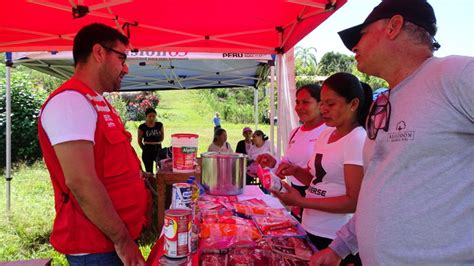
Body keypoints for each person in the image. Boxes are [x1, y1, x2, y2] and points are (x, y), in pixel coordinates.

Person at [311, 0, 474, 265]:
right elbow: (379, 186)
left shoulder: (454, 75)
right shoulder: (381, 104)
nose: (354, 47)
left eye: (360, 36)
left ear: (393, 27)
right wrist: (339, 248)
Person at [37, 23, 148, 266]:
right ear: (99, 53)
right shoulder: (70, 102)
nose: (126, 68)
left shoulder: (95, 100)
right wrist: (122, 241)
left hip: (113, 241)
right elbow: (81, 182)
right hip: (97, 247)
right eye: (121, 58)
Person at [274, 73, 372, 266]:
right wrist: (295, 170)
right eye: (322, 103)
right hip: (309, 226)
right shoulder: (326, 133)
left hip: (334, 236)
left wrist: (302, 201)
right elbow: (317, 180)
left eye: (331, 104)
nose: (324, 109)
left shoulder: (356, 138)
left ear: (353, 104)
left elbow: (353, 202)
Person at [256, 84, 327, 220]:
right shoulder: (295, 133)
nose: (299, 107)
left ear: (320, 104)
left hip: (317, 198)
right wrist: (274, 163)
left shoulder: (327, 131)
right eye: (297, 102)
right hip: (295, 195)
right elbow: (288, 164)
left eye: (306, 102)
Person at [138, 107, 164, 173]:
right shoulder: (142, 127)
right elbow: (139, 141)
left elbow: (162, 137)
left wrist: (156, 143)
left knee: (160, 170)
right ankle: (151, 183)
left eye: (153, 116)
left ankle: (159, 183)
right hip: (147, 150)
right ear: (146, 116)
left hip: (158, 149)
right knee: (149, 171)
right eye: (149, 116)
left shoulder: (159, 125)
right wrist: (145, 149)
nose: (151, 118)